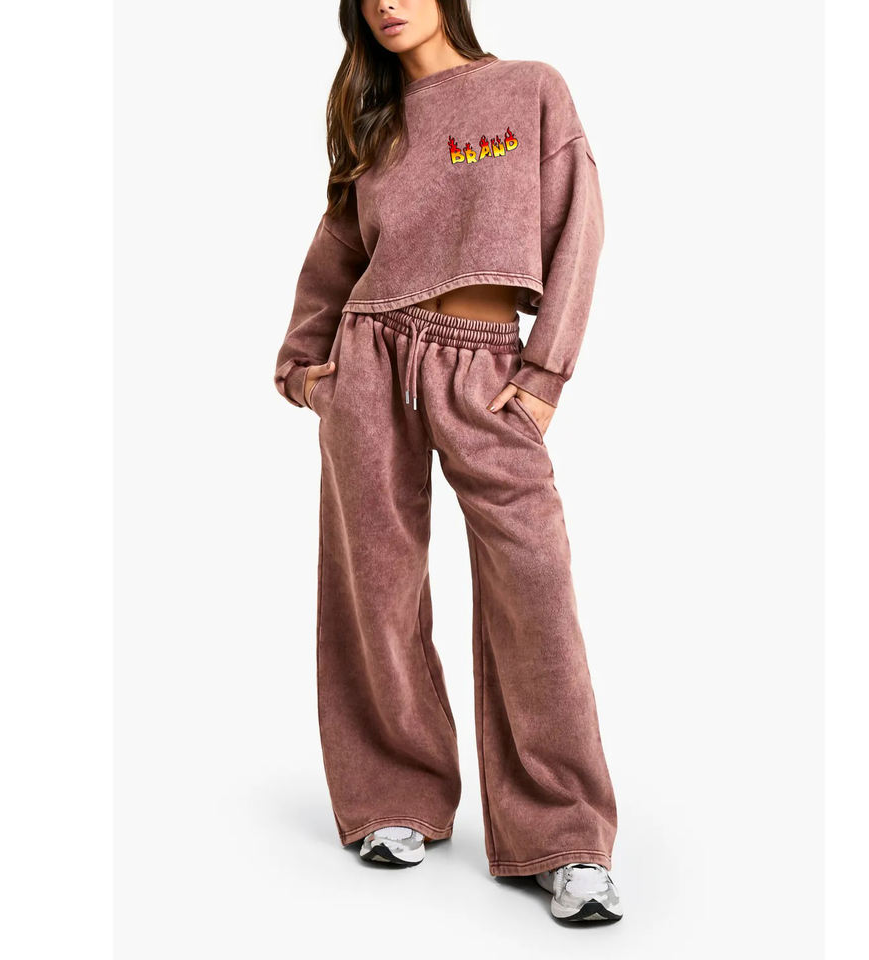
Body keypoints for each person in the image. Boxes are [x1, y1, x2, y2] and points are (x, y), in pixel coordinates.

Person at [274, 0, 622, 923]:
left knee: (533, 584)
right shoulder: (374, 121)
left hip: (487, 368)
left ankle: (565, 838)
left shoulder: (528, 90)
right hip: (369, 362)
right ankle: (393, 799)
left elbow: (580, 226)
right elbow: (336, 251)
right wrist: (306, 368)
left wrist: (544, 374)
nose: (386, 2)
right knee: (376, 584)